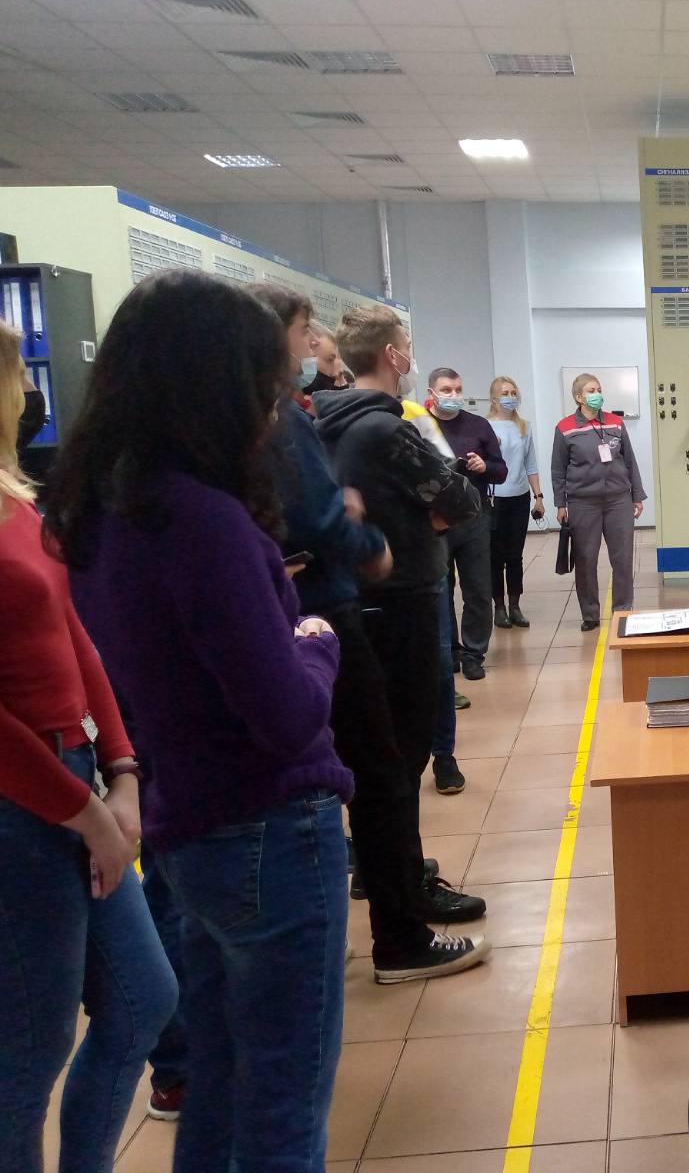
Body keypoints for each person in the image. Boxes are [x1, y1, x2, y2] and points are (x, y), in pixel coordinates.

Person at [46, 269, 349, 1172]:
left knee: (220, 1078)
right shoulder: (206, 521)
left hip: (188, 824)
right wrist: (315, 642)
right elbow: (285, 716)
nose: (275, 408)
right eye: (266, 386)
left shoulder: (102, 509)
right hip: (269, 828)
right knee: (286, 1099)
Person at [0, 319, 177, 1173]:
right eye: (13, 373)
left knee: (143, 1000)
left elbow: (73, 636)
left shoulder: (16, 497)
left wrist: (122, 770)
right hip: (23, 800)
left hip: (76, 779)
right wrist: (86, 814)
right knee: (31, 1048)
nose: (26, 391)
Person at [315, 305, 492, 979]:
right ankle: (402, 913)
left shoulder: (322, 420)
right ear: (393, 355)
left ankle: (395, 874)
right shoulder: (388, 428)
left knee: (380, 760)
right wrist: (434, 509)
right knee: (399, 761)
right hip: (404, 601)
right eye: (407, 346)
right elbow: (462, 501)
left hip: (358, 604)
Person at [401, 396, 473, 795]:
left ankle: (443, 755)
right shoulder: (329, 423)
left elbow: (452, 485)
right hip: (369, 573)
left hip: (425, 561)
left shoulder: (412, 416)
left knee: (440, 660)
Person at [426, 367, 505, 680]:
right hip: (435, 520)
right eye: (446, 390)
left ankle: (474, 653)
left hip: (474, 517)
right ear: (432, 393)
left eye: (458, 390)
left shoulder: (478, 425)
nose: (453, 396)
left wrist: (484, 466)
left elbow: (501, 471)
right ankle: (450, 651)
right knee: (441, 589)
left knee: (478, 588)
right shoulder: (419, 427)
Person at [551, 372, 646, 631]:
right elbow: (558, 469)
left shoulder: (615, 423)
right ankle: (590, 614)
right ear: (579, 397)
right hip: (583, 503)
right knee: (585, 560)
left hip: (618, 500)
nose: (597, 394)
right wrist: (561, 503)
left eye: (599, 389)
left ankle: (622, 611)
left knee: (622, 559)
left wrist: (637, 495)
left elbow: (630, 461)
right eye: (591, 390)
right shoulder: (565, 427)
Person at [486, 375, 545, 629]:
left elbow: (530, 464)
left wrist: (538, 496)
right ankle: (499, 608)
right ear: (494, 399)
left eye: (513, 393)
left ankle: (515, 606)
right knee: (495, 557)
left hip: (519, 498)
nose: (510, 397)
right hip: (493, 499)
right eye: (505, 393)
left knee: (515, 555)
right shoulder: (485, 427)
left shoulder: (524, 427)